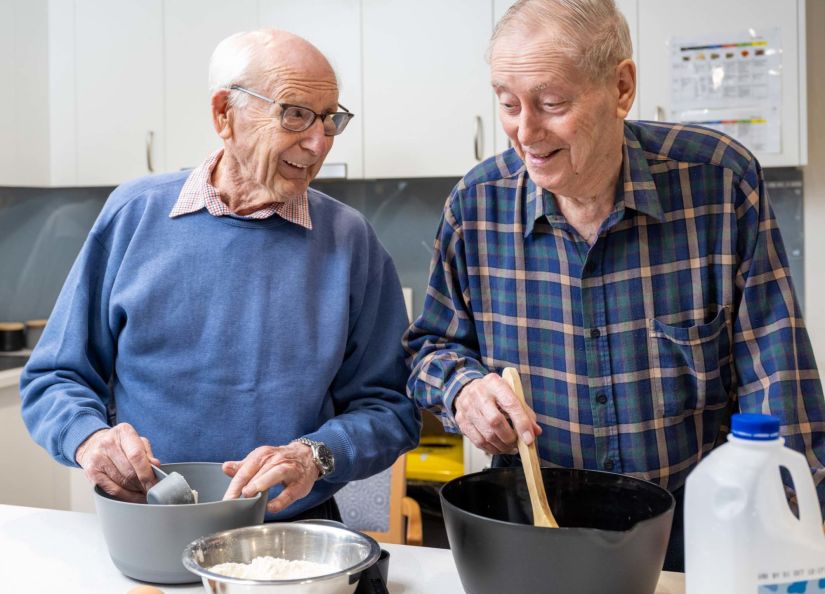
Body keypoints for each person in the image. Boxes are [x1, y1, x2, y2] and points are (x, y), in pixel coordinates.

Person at [403, 0, 825, 571]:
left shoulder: (720, 186)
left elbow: (780, 386)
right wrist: (463, 390)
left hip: (689, 539)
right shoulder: (475, 207)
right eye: (507, 103)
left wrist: (790, 542)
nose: (525, 132)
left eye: (551, 104)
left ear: (621, 87)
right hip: (534, 537)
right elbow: (430, 349)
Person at [20, 29, 420, 521]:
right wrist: (88, 438)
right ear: (223, 115)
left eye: (331, 119)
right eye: (295, 114)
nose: (318, 142)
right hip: (149, 522)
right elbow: (54, 377)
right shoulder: (133, 215)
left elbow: (392, 409)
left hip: (293, 532)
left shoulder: (351, 241)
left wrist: (315, 456)